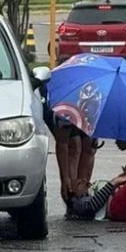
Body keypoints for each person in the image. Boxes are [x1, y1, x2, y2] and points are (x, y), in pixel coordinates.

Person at [40, 81, 96, 217]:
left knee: (89, 144)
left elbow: (89, 151)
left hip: (88, 104)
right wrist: (65, 180)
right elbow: (63, 145)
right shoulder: (64, 107)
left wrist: (83, 184)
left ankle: (81, 194)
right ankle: (70, 195)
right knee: (74, 145)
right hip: (62, 107)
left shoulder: (96, 104)